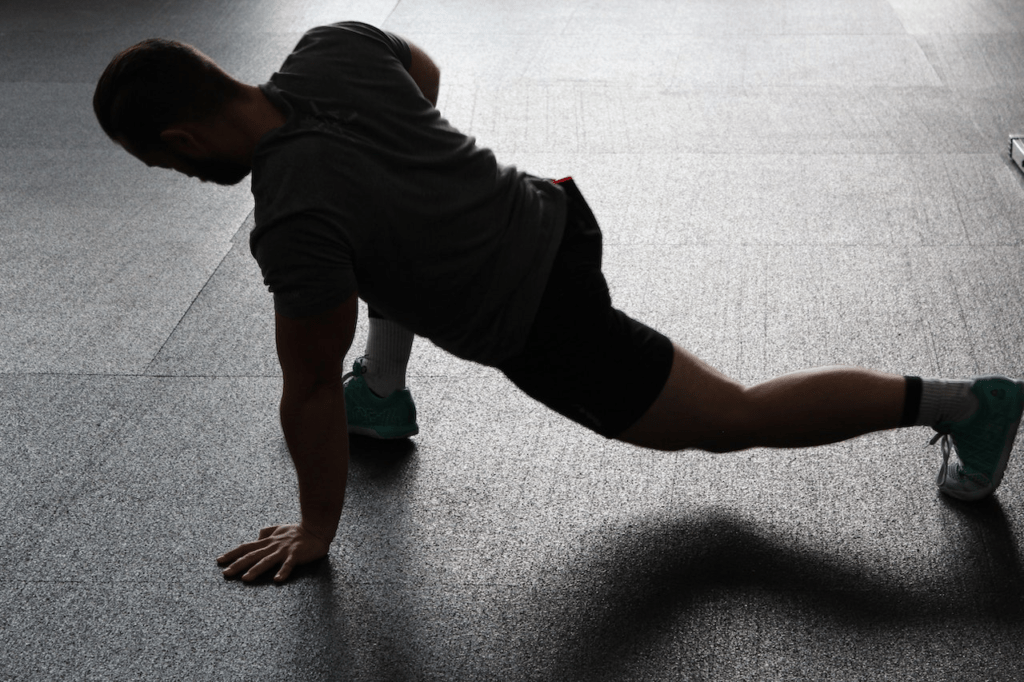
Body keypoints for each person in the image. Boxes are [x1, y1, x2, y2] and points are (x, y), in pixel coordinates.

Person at [93, 21, 1024, 584]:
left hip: (543, 319)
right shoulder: (331, 49)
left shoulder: (293, 219)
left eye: (164, 163)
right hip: (554, 209)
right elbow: (423, 78)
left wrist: (318, 528)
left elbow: (301, 391)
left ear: (179, 137)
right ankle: (382, 389)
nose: (178, 176)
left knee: (731, 419)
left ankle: (965, 404)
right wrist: (415, 179)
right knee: (382, 247)